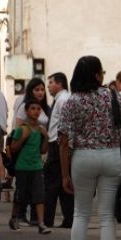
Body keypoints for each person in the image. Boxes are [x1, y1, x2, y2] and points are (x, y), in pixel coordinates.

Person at [58, 56, 121, 240]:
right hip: (111, 157)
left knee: (80, 214)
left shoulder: (72, 101)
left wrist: (65, 173)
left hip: (83, 157)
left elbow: (62, 140)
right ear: (97, 75)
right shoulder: (112, 96)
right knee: (106, 216)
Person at [8, 99, 52, 234]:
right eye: (33, 109)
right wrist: (22, 138)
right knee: (20, 195)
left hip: (37, 167)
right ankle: (14, 217)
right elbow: (13, 148)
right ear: (27, 111)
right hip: (22, 167)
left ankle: (41, 223)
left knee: (39, 195)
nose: (36, 111)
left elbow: (43, 150)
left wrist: (46, 138)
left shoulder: (40, 130)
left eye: (38, 109)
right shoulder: (22, 129)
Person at [44, 72, 74, 228]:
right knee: (62, 182)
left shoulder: (63, 100)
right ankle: (68, 218)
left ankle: (48, 218)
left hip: (58, 144)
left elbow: (65, 125)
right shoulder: (60, 100)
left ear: (59, 84)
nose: (48, 86)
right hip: (57, 143)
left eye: (51, 82)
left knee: (51, 183)